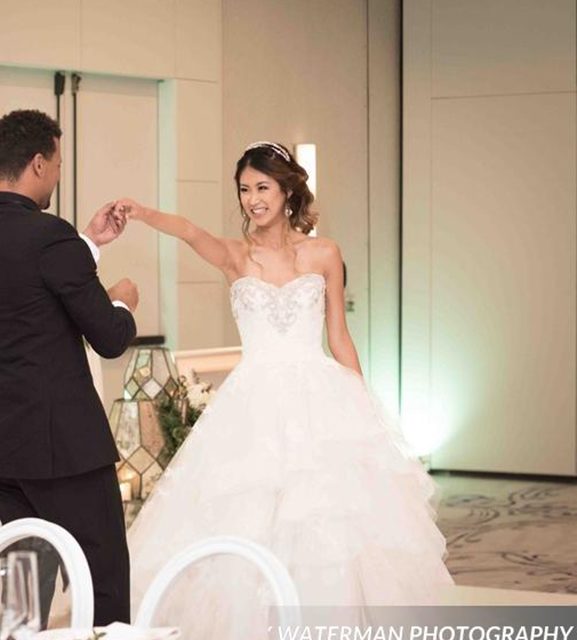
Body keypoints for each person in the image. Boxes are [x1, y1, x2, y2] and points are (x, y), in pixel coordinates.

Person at [117, 142, 453, 631]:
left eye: (263, 187)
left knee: (328, 522)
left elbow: (338, 335)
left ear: (287, 189)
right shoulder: (235, 256)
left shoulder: (324, 253)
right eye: (245, 190)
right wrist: (143, 212)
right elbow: (189, 231)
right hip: (250, 404)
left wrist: (362, 407)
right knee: (247, 512)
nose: (253, 199)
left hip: (320, 396)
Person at [0, 109, 138, 625]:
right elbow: (108, 337)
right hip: (65, 450)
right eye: (56, 163)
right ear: (38, 162)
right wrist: (123, 302)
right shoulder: (47, 236)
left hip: (1, 445)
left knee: (25, 597)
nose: (57, 174)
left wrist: (86, 243)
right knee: (101, 584)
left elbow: (29, 284)